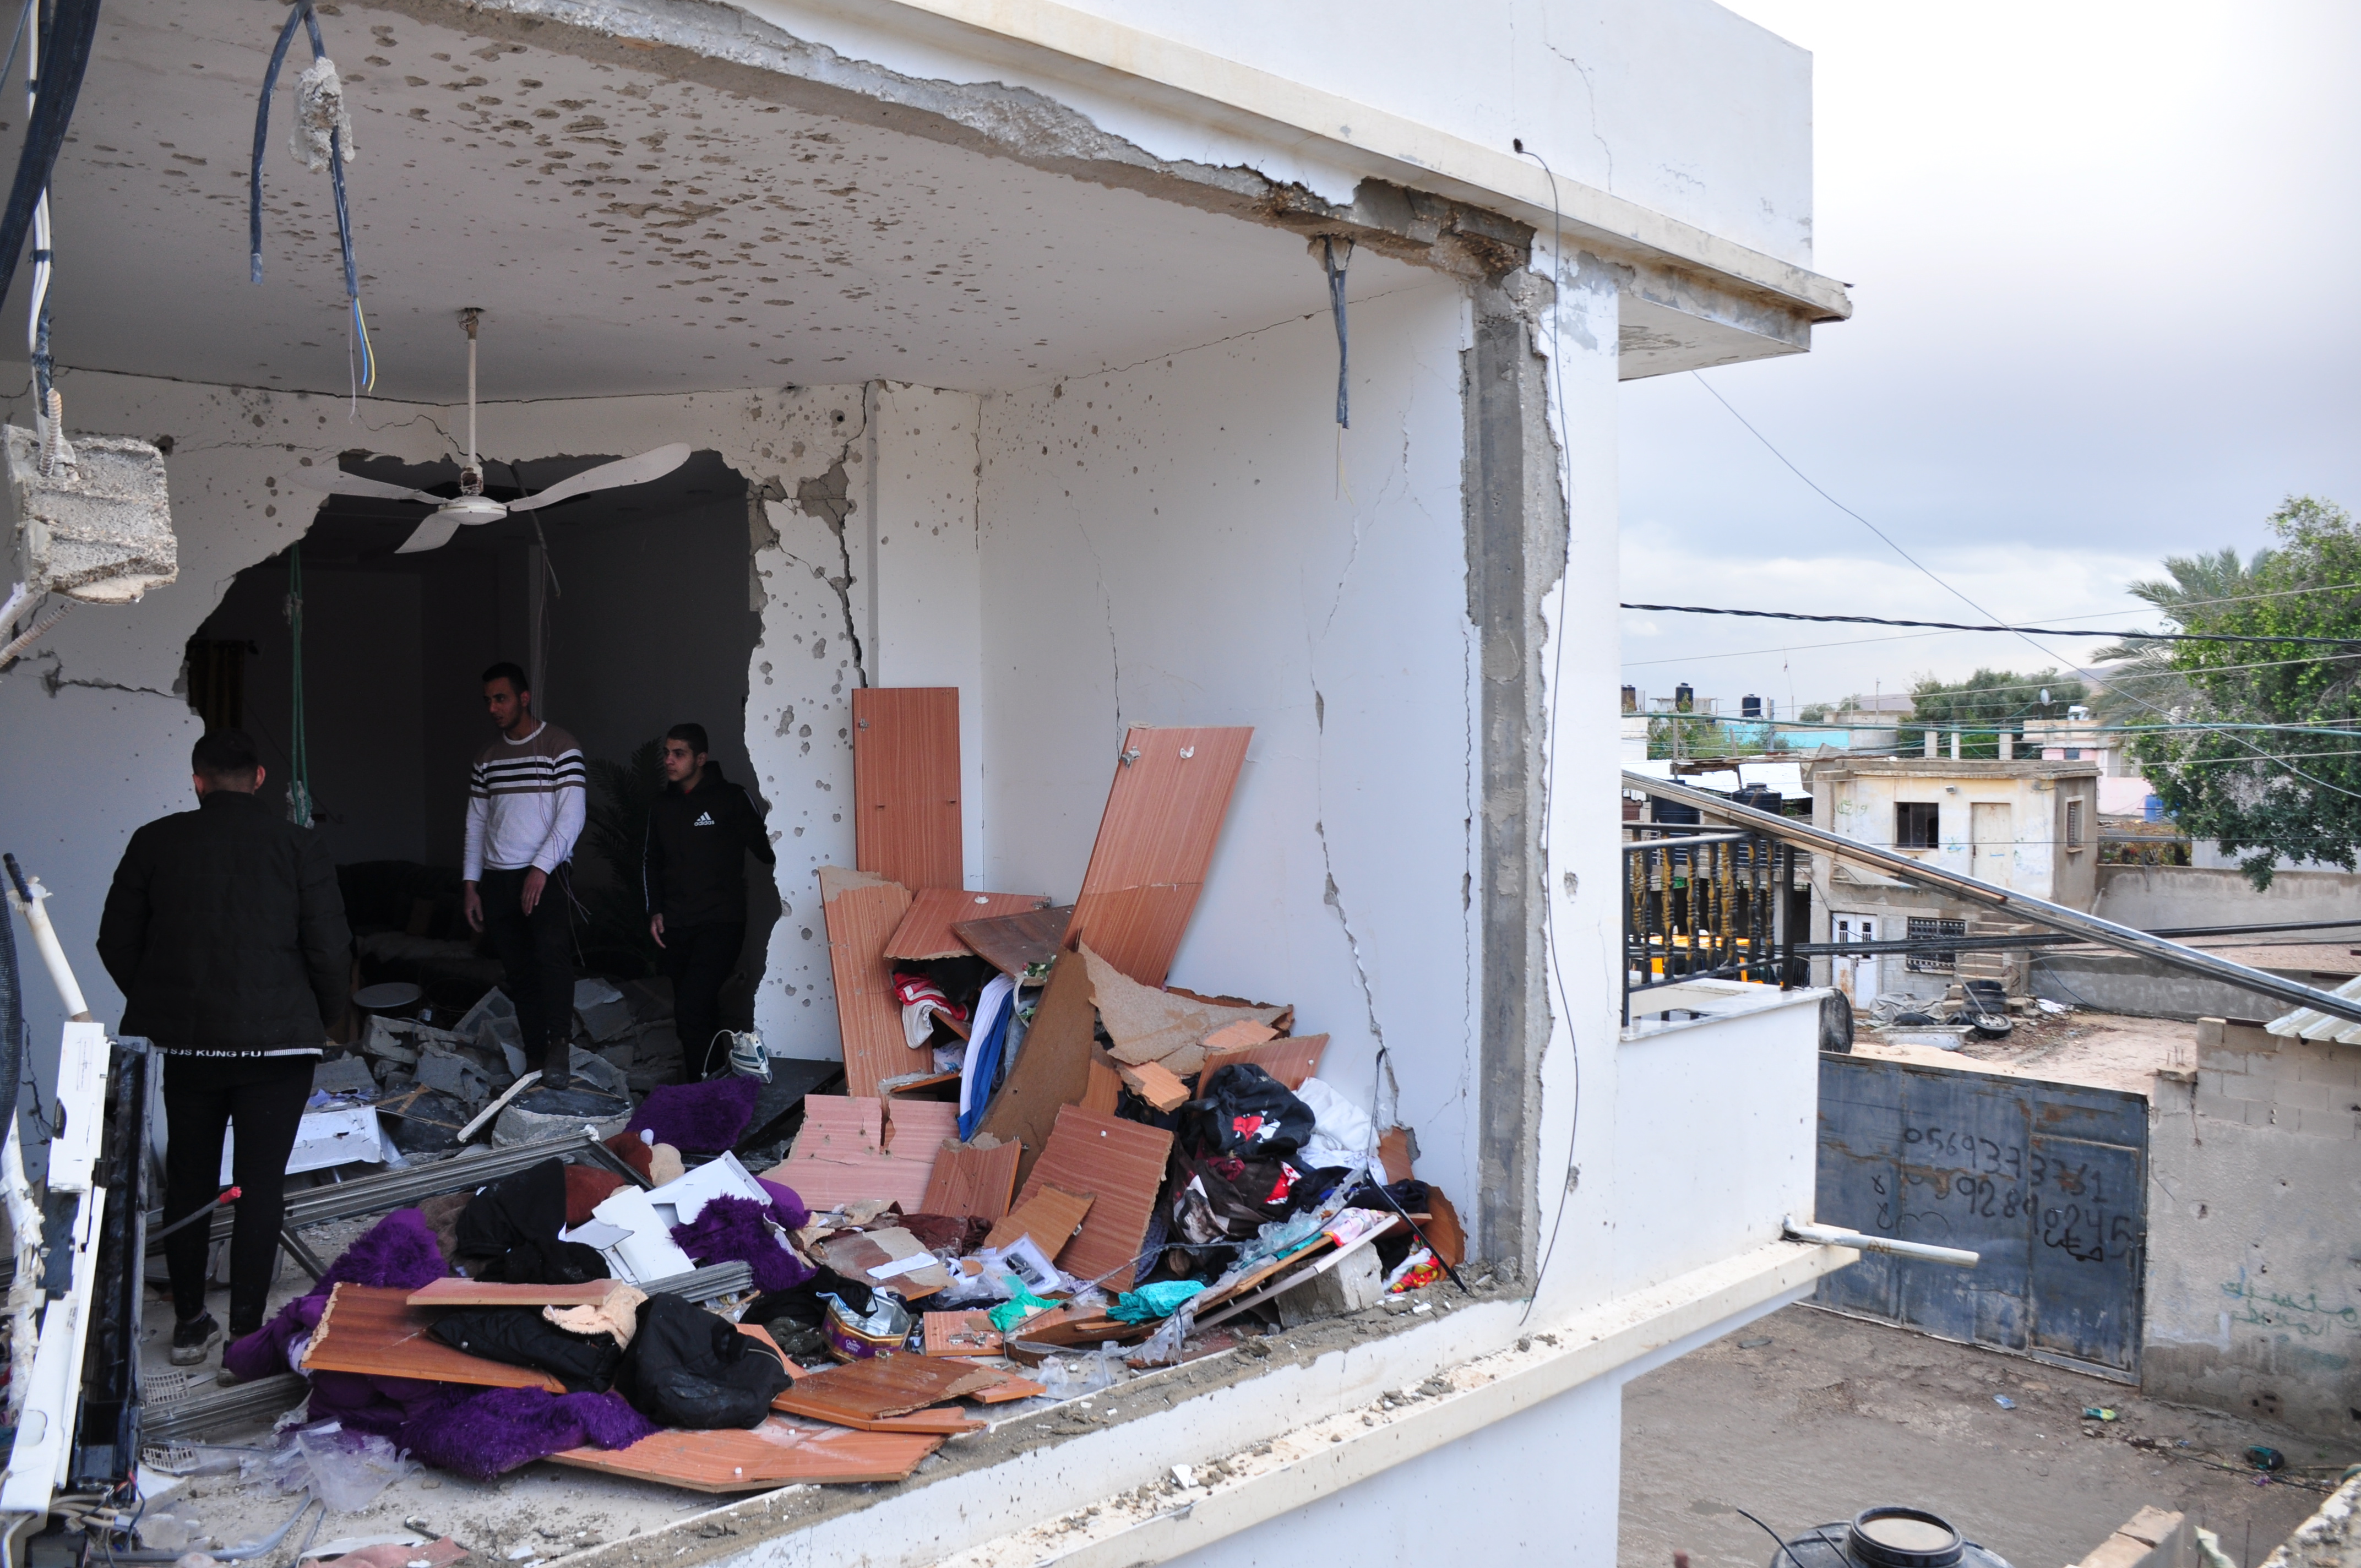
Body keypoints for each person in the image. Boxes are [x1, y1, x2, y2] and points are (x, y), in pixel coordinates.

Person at [97, 729, 351, 1364]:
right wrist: (322, 1020)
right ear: (261, 778)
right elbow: (329, 947)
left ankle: (188, 1326)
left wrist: (164, 1003)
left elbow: (115, 941)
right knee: (260, 1185)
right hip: (277, 1048)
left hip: (190, 1049)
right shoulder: (300, 846)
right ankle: (245, 1332)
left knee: (190, 1180)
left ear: (197, 780)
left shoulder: (155, 842)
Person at [463, 662, 586, 1091]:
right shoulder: (487, 758)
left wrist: (541, 868)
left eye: (501, 698)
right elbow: (476, 823)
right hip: (498, 879)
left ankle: (559, 1046)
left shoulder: (560, 746)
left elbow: (572, 816)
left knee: (552, 959)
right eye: (488, 701)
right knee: (519, 972)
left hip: (548, 874)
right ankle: (536, 1058)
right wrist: (471, 884)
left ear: (524, 698)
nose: (494, 708)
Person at [643, 723, 775, 1078]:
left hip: (721, 922)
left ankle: (699, 1087)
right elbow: (650, 861)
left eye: (679, 754)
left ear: (701, 759)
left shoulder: (731, 797)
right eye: (667, 754)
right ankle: (711, 1081)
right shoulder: (662, 804)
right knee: (697, 1012)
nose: (669, 761)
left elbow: (769, 848)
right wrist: (654, 909)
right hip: (675, 924)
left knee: (692, 1006)